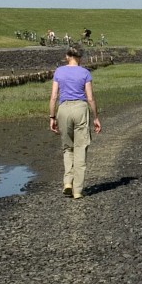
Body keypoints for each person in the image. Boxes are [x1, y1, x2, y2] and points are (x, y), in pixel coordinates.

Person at [48, 47, 102, 199]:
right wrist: (96, 117)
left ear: (67, 56)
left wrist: (52, 117)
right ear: (80, 57)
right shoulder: (85, 73)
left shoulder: (59, 71)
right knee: (80, 148)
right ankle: (77, 190)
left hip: (63, 109)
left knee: (67, 148)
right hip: (80, 108)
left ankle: (67, 182)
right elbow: (90, 98)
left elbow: (53, 97)